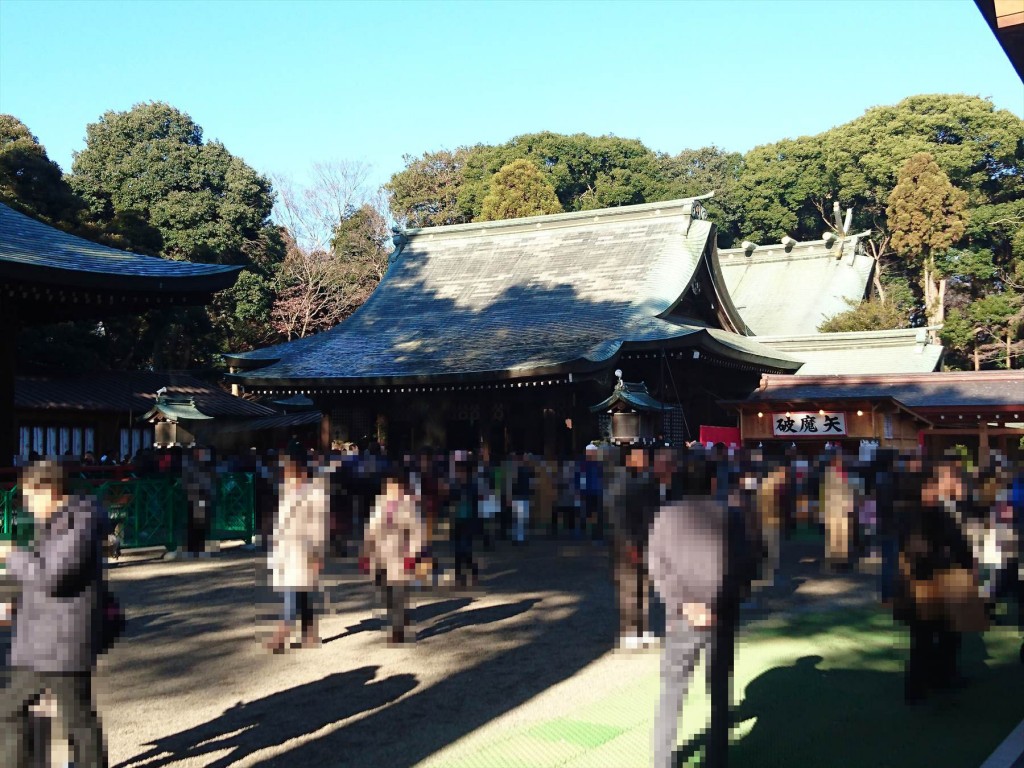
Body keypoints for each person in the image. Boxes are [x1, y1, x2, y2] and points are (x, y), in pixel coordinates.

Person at [647, 461, 760, 768]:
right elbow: (744, 563)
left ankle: (661, 761)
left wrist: (684, 604)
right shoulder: (731, 516)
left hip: (682, 617)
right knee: (719, 689)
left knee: (672, 689)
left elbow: (657, 568)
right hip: (721, 614)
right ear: (713, 483)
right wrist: (722, 601)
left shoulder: (665, 517)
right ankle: (717, 759)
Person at [0, 459, 109, 768]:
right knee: (74, 716)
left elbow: (52, 577)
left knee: (68, 716)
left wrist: (12, 556)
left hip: (61, 639)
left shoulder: (78, 522)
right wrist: (12, 598)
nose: (28, 505)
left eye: (30, 497)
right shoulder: (60, 522)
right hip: (48, 638)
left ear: (49, 490)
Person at [894, 457, 984, 704]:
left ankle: (942, 677)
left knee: (949, 633)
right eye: (930, 486)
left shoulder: (938, 511)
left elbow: (959, 544)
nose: (934, 490)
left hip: (944, 581)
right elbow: (918, 552)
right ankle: (918, 688)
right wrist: (947, 558)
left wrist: (966, 564)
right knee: (924, 638)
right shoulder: (912, 516)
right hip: (924, 584)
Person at [264, 450, 328, 653]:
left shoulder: (314, 493)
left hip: (303, 550)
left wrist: (316, 552)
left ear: (301, 473)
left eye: (289, 473)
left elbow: (318, 524)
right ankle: (309, 634)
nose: (286, 477)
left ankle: (283, 633)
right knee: (301, 592)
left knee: (293, 591)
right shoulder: (288, 492)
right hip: (287, 551)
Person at [361, 468, 427, 643]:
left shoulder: (409, 505)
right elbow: (371, 528)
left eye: (395, 486)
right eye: (389, 486)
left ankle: (398, 629)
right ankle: (401, 616)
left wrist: (412, 553)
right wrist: (366, 549)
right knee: (385, 592)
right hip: (380, 554)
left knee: (398, 592)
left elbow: (417, 531)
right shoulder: (380, 503)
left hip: (400, 554)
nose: (392, 490)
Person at [609, 448, 660, 650]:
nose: (644, 459)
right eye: (639, 456)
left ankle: (642, 629)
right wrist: (629, 542)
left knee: (643, 588)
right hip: (626, 543)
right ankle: (629, 631)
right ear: (629, 459)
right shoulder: (622, 483)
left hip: (644, 540)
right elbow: (619, 517)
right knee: (630, 589)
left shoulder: (645, 482)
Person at [180, 445, 216, 558]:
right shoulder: (191, 466)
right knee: (195, 523)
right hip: (196, 496)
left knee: (201, 524)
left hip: (203, 496)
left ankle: (200, 547)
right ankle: (193, 548)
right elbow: (187, 482)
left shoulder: (205, 466)